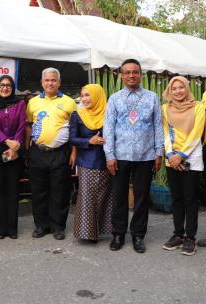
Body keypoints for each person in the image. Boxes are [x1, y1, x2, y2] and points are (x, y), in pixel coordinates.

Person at [103, 59, 164, 254]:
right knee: (119, 196)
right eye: (127, 72)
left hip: (145, 155)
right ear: (122, 75)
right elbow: (108, 128)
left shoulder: (152, 97)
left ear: (140, 74)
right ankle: (118, 234)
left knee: (142, 197)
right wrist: (109, 155)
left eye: (135, 72)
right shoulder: (114, 99)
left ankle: (138, 235)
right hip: (120, 156)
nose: (131, 75)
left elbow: (158, 126)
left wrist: (158, 152)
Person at [26, 67, 77, 241]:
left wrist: (74, 152)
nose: (50, 83)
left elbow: (75, 129)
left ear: (59, 82)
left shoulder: (69, 102)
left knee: (59, 191)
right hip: (37, 152)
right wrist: (27, 150)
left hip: (61, 153)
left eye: (53, 80)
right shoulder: (33, 102)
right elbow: (29, 125)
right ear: (42, 83)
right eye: (47, 80)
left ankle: (58, 226)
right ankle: (41, 225)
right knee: (38, 191)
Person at [161, 76, 205, 255]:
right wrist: (171, 154)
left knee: (190, 200)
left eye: (181, 87)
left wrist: (182, 155)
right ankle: (178, 234)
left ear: (187, 88)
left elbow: (196, 133)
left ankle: (190, 238)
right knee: (177, 199)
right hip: (172, 159)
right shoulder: (165, 109)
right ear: (170, 91)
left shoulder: (198, 107)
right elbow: (166, 132)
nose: (178, 91)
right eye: (174, 88)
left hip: (192, 158)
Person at [69, 84, 112, 242]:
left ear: (98, 96)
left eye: (88, 95)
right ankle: (87, 233)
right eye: (82, 95)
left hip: (107, 161)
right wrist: (89, 141)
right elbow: (72, 139)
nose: (84, 99)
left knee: (105, 197)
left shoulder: (109, 113)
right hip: (87, 162)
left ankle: (103, 229)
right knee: (88, 197)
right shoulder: (78, 115)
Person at [0, 75, 26, 239]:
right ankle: (0, 228)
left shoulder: (20, 103)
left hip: (14, 151)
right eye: (2, 85)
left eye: (8, 85)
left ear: (12, 87)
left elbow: (22, 126)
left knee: (13, 189)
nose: (5, 88)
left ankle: (12, 228)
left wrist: (14, 146)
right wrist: (6, 141)